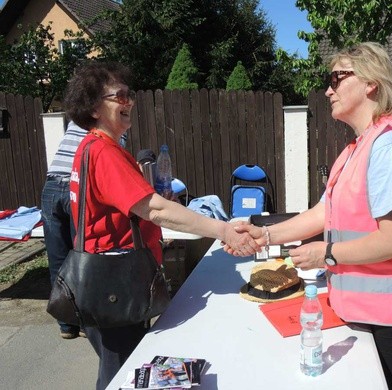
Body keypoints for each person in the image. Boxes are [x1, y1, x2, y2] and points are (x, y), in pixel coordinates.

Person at [229, 42, 392, 390]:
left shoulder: (389, 147)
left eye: (337, 77)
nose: (328, 89)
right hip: (372, 311)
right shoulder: (358, 147)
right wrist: (267, 235)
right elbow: (324, 212)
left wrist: (326, 253)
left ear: (370, 83)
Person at [64, 61, 260, 389]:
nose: (129, 102)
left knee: (119, 368)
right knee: (119, 377)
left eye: (130, 94)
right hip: (115, 287)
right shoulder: (105, 153)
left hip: (100, 284)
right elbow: (154, 210)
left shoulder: (88, 148)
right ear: (94, 107)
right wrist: (222, 229)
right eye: (120, 96)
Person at [41, 121, 88, 339]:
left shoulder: (75, 119)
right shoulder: (111, 126)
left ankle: (66, 325)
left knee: (57, 260)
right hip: (76, 185)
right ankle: (87, 323)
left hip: (51, 185)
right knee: (82, 257)